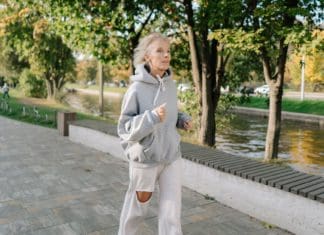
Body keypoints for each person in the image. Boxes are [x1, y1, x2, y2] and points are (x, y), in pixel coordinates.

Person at [117, 32, 192, 235]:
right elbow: (124, 129)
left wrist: (181, 119)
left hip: (171, 156)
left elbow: (169, 113)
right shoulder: (136, 88)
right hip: (145, 159)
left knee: (172, 214)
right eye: (159, 51)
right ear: (147, 56)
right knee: (137, 211)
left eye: (168, 51)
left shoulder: (171, 85)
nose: (166, 55)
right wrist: (150, 118)